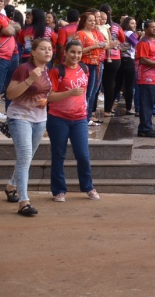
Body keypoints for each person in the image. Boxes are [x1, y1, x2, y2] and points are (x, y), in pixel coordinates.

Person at [4, 37, 53, 216]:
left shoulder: (48, 70)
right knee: (24, 156)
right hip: (20, 117)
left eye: (49, 49)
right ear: (33, 52)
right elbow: (10, 93)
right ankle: (24, 202)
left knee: (27, 157)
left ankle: (11, 185)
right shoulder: (24, 69)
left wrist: (46, 101)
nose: (47, 51)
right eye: (43, 49)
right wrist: (29, 80)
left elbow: (47, 94)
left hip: (40, 119)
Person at [47, 39, 101, 202]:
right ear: (65, 53)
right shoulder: (56, 71)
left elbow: (85, 93)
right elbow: (49, 96)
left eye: (79, 52)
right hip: (58, 118)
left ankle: (88, 187)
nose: (76, 55)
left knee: (83, 155)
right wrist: (69, 93)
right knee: (58, 155)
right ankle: (59, 190)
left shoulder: (84, 68)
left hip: (79, 118)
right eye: (72, 52)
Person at [135, 20, 155, 138]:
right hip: (147, 78)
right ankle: (144, 128)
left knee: (151, 103)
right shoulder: (143, 42)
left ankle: (148, 126)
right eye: (152, 27)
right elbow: (143, 60)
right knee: (146, 104)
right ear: (146, 29)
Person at [75, 10, 107, 125]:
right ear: (84, 21)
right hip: (85, 65)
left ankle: (87, 117)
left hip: (96, 64)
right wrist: (95, 46)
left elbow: (100, 46)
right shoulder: (80, 34)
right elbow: (77, 51)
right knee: (87, 93)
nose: (93, 23)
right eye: (90, 21)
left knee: (93, 92)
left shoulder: (94, 33)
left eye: (94, 21)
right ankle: (83, 117)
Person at [99, 5, 126, 117]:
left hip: (100, 57)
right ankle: (107, 110)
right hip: (114, 58)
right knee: (110, 84)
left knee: (98, 85)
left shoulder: (97, 26)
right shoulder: (116, 26)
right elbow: (123, 40)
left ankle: (91, 112)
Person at [116, 16, 138, 116]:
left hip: (119, 60)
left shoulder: (121, 32)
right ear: (127, 24)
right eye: (132, 23)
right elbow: (137, 44)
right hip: (129, 60)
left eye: (135, 23)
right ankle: (129, 108)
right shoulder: (129, 33)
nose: (134, 25)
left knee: (117, 85)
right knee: (129, 86)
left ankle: (109, 107)